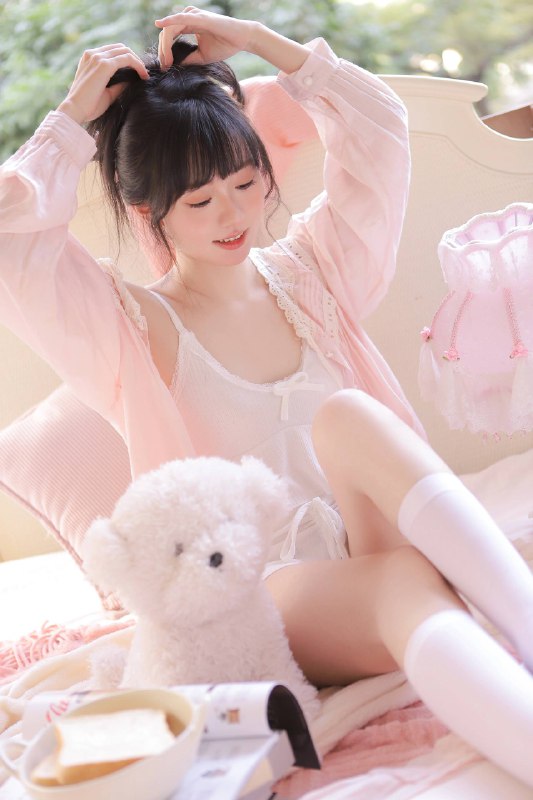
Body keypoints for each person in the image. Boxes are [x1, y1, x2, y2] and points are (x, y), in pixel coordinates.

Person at [1, 5, 533, 785]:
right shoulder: (127, 331)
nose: (234, 215)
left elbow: (380, 130)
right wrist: (72, 119)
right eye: (200, 202)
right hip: (264, 596)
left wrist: (255, 41)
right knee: (402, 585)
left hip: (375, 549)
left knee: (350, 418)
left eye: (246, 184)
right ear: (150, 213)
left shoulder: (312, 273)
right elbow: (11, 234)